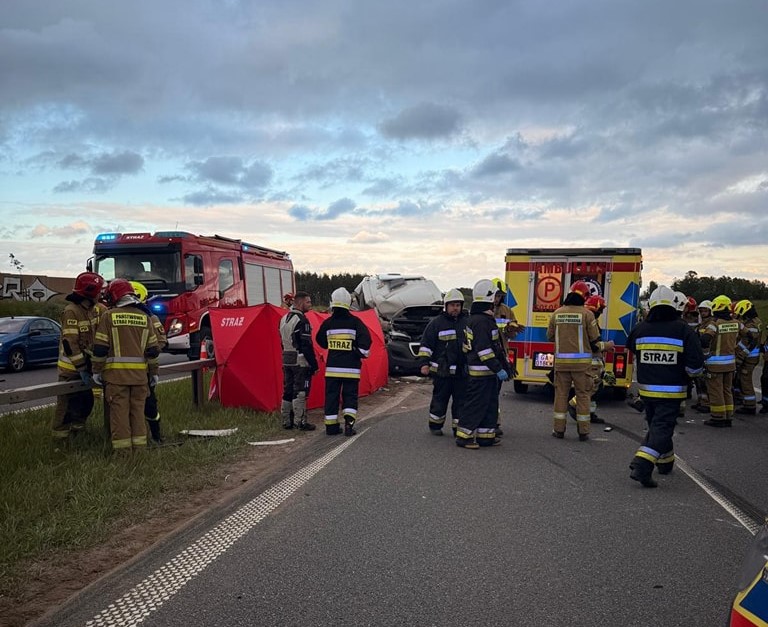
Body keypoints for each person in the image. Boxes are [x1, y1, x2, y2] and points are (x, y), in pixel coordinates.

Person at [626, 285, 705, 487]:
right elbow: (695, 363)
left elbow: (631, 347)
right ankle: (642, 464)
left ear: (651, 305)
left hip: (646, 391)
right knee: (662, 428)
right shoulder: (683, 330)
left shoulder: (640, 328)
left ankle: (665, 463)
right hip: (672, 392)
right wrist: (692, 375)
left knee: (656, 426)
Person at [92, 279, 160, 454]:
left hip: (116, 378)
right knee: (138, 414)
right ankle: (140, 451)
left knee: (119, 416)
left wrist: (96, 371)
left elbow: (100, 348)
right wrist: (153, 373)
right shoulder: (145, 317)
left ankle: (123, 455)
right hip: (140, 379)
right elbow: (152, 351)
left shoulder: (109, 316)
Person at [547, 281, 614, 441]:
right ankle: (583, 431)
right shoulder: (587, 315)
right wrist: (608, 345)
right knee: (583, 396)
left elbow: (549, 336)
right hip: (582, 366)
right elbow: (595, 342)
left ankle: (558, 430)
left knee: (561, 396)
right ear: (584, 296)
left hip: (561, 364)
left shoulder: (556, 313)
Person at [51, 271, 106, 450]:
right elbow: (70, 343)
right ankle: (60, 441)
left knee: (85, 403)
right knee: (66, 406)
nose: (100, 294)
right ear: (89, 293)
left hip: (87, 367)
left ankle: (78, 434)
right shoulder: (71, 312)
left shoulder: (95, 309)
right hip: (71, 370)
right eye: (98, 291)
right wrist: (81, 367)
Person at [455, 279, 509, 449]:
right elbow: (484, 350)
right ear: (489, 297)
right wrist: (498, 368)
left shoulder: (479, 319)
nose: (496, 300)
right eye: (495, 296)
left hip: (487, 373)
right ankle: (464, 437)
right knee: (476, 405)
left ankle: (486, 436)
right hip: (481, 373)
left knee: (490, 406)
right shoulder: (481, 321)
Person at [315, 288, 372, 436]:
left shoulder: (328, 323)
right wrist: (357, 352)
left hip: (332, 369)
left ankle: (331, 428)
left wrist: (331, 345)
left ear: (333, 302)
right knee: (350, 397)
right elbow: (366, 342)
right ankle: (349, 426)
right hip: (351, 370)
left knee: (331, 397)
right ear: (348, 303)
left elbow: (320, 340)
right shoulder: (356, 322)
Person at [417, 288, 469, 436]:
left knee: (461, 402)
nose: (455, 308)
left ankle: (458, 428)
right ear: (446, 306)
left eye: (458, 305)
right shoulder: (436, 324)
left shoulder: (467, 323)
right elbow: (426, 345)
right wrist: (424, 364)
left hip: (461, 372)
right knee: (440, 399)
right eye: (452, 305)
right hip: (442, 372)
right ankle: (435, 425)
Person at [130, 281, 168, 442]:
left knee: (149, 406)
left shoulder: (150, 318)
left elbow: (161, 341)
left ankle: (156, 436)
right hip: (133, 371)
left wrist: (149, 351)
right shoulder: (112, 315)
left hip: (143, 370)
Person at [279, 291, 319, 431]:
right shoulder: (302, 321)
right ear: (301, 303)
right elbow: (306, 345)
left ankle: (286, 421)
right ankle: (300, 421)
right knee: (300, 391)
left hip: (286, 358)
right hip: (300, 361)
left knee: (287, 390)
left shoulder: (284, 318)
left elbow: (282, 342)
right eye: (308, 302)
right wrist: (314, 364)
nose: (310, 304)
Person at [567, 295, 610, 424]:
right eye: (601, 308)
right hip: (590, 360)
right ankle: (574, 404)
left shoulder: (589, 319)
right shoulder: (589, 319)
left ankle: (590, 413)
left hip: (593, 359)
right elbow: (593, 344)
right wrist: (607, 346)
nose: (602, 311)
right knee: (590, 388)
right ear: (595, 308)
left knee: (596, 388)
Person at [699, 295, 740, 427]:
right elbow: (751, 335)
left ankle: (718, 417)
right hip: (731, 364)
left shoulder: (715, 323)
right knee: (727, 390)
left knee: (716, 391)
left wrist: (705, 355)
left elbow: (705, 339)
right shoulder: (736, 322)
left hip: (715, 365)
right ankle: (728, 417)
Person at [491, 278, 524, 436]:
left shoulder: (506, 310)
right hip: (486, 356)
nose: (497, 298)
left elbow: (513, 328)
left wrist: (512, 329)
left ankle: (494, 422)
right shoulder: (483, 310)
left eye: (499, 296)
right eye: (495, 295)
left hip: (501, 354)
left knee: (495, 392)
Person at [733, 299, 762, 415]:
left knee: (746, 380)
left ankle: (750, 406)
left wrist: (739, 356)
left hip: (749, 357)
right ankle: (743, 399)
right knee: (742, 378)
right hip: (752, 356)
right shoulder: (756, 321)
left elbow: (748, 343)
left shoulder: (751, 325)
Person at [692, 300, 713, 411]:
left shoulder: (712, 324)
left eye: (705, 311)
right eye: (701, 311)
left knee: (706, 381)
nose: (703, 313)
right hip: (700, 355)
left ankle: (706, 404)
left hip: (708, 356)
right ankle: (701, 401)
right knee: (698, 380)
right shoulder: (701, 324)